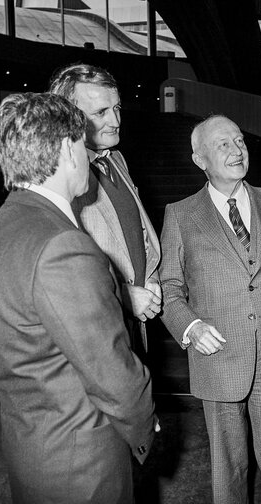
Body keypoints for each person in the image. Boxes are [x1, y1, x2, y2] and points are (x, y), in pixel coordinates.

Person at [0, 92, 157, 504]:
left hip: (33, 449)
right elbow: (109, 368)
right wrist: (144, 422)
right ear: (65, 150)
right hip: (82, 465)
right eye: (81, 143)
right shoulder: (63, 245)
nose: (89, 155)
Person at [159, 114, 261, 504]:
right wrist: (191, 326)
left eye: (240, 141)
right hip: (220, 357)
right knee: (229, 470)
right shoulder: (180, 215)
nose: (236, 150)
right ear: (200, 160)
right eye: (223, 144)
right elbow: (168, 287)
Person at [49, 63, 161, 355]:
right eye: (100, 113)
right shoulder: (59, 176)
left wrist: (151, 277)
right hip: (97, 329)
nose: (115, 120)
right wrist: (121, 294)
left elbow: (138, 234)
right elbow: (65, 270)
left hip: (136, 321)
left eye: (117, 108)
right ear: (68, 118)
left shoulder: (116, 160)